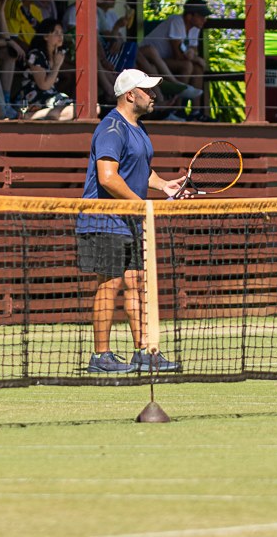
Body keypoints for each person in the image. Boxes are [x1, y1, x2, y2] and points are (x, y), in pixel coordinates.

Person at [77, 69, 187, 374]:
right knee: (109, 284)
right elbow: (108, 178)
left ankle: (144, 352)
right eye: (147, 91)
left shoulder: (139, 129)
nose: (154, 96)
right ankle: (101, 357)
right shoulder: (111, 128)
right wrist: (142, 206)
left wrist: (164, 185)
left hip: (128, 220)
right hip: (104, 220)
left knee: (137, 284)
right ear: (130, 95)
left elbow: (140, 171)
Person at [138, 0, 210, 109]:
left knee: (198, 68)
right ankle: (176, 106)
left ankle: (196, 111)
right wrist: (194, 57)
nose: (204, 20)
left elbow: (193, 48)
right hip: (152, 58)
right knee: (187, 65)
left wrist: (192, 53)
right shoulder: (176, 21)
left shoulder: (195, 27)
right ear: (190, 16)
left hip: (167, 60)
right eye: (201, 16)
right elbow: (178, 55)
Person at [14, 17, 75, 120]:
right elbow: (43, 85)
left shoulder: (56, 55)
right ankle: (31, 115)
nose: (60, 36)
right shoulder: (36, 55)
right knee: (73, 111)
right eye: (56, 33)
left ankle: (45, 115)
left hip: (53, 98)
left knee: (94, 108)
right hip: (36, 99)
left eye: (61, 32)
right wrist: (57, 65)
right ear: (46, 36)